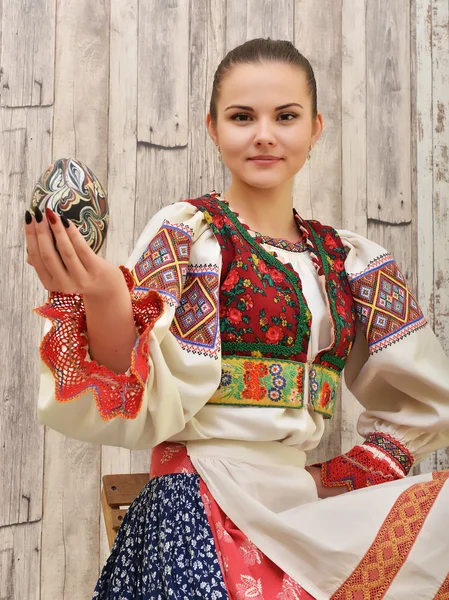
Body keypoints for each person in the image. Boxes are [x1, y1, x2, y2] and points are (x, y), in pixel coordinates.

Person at [25, 38, 449, 600]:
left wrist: (346, 475)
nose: (264, 134)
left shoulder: (350, 263)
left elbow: (427, 400)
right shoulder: (188, 237)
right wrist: (103, 294)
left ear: (316, 128)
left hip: (301, 504)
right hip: (201, 501)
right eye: (243, 117)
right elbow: (132, 380)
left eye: (286, 116)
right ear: (213, 126)